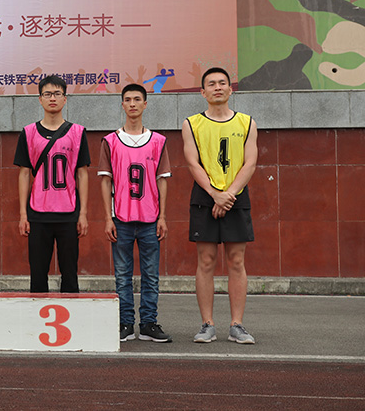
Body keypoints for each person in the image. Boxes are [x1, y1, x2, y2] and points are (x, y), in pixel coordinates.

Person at [183, 67, 258, 344]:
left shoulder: (247, 122)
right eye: (211, 84)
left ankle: (237, 325)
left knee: (236, 261)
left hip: (236, 195)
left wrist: (228, 195)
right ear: (202, 92)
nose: (217, 87)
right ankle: (207, 324)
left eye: (222, 83)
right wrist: (215, 194)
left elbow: (250, 163)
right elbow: (193, 163)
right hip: (205, 196)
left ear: (230, 89)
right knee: (206, 261)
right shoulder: (192, 123)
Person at [98, 83, 172, 342]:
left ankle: (149, 323)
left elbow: (162, 180)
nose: (132, 104)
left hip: (151, 218)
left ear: (145, 104)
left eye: (137, 99)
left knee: (151, 275)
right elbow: (105, 181)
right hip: (121, 218)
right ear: (122, 104)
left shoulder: (158, 141)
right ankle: (126, 323)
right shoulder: (110, 141)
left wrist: (163, 216)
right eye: (128, 99)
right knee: (122, 276)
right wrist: (107, 218)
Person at [15, 75, 90, 292]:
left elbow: (82, 174)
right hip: (38, 212)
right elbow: (24, 174)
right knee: (38, 274)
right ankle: (37, 313)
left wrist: (83, 213)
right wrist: (23, 214)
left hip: (68, 211)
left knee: (70, 273)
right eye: (47, 94)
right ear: (40, 99)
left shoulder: (77, 132)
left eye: (57, 94)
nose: (52, 98)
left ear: (65, 99)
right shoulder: (28, 133)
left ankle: (71, 312)